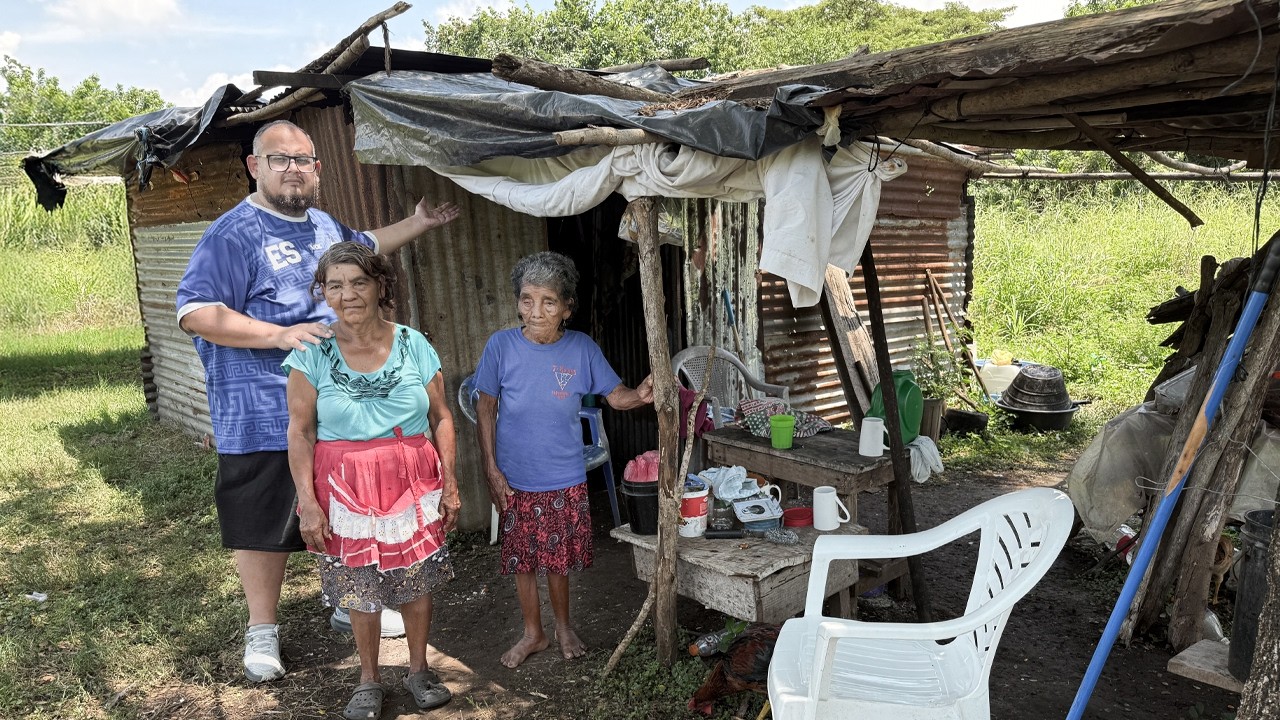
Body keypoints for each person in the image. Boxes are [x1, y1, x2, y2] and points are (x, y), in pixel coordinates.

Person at [175, 119, 460, 683]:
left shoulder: (324, 224)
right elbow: (194, 313)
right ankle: (263, 628)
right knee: (263, 520)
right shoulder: (233, 234)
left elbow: (366, 248)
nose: (291, 169)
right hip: (260, 410)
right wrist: (277, 334)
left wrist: (420, 222)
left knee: (339, 510)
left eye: (302, 159)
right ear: (254, 167)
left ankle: (343, 600)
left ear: (317, 169)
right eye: (278, 160)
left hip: (332, 410)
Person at [285, 242, 459, 719]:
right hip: (343, 486)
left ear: (380, 285)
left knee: (415, 577)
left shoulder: (413, 344)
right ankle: (368, 680)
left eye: (358, 282)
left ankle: (419, 670)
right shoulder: (311, 353)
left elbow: (442, 417)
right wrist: (308, 502)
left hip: (411, 478)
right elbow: (299, 432)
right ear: (323, 293)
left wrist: (450, 482)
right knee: (358, 583)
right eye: (335, 285)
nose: (348, 295)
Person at [473, 251, 654, 668]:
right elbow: (485, 408)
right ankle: (532, 633)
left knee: (557, 557)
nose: (535, 312)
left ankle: (563, 625)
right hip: (516, 476)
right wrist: (491, 468)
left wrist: (639, 396)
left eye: (548, 302)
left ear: (567, 308)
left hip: (563, 474)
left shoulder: (581, 349)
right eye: (526, 300)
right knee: (522, 559)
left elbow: (615, 395)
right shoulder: (501, 346)